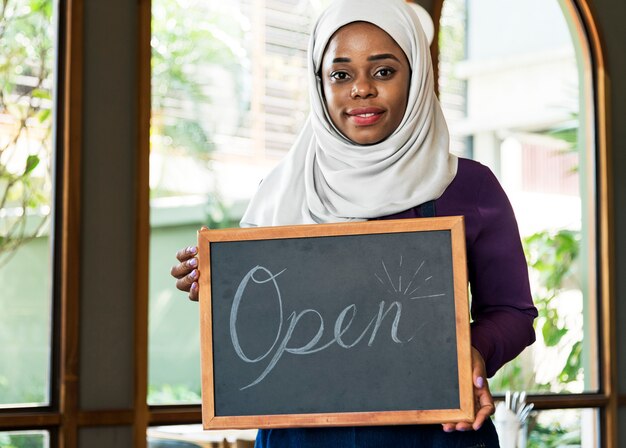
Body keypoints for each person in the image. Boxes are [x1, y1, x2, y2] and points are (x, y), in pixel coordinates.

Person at [171, 0, 538, 445]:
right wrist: (215, 282)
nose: (361, 89)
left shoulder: (468, 186)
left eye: (383, 71)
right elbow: (263, 325)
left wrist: (475, 353)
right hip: (300, 438)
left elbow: (513, 313)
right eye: (340, 75)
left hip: (435, 433)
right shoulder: (282, 189)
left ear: (417, 76)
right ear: (319, 83)